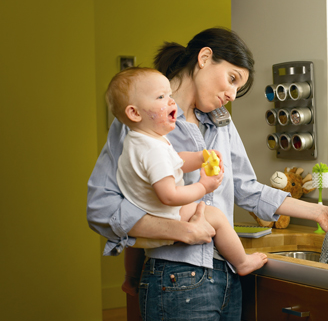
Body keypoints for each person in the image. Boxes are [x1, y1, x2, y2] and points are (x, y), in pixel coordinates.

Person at [87, 27, 328, 321]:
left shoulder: (220, 122)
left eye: (238, 88)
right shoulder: (141, 121)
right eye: (231, 79)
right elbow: (101, 206)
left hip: (225, 279)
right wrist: (180, 230)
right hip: (177, 280)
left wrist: (317, 211)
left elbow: (245, 186)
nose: (232, 94)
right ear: (205, 57)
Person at [104, 67, 267, 295]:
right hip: (163, 211)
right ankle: (242, 263)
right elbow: (169, 195)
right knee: (215, 216)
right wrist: (203, 186)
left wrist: (201, 158)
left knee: (135, 249)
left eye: (169, 95)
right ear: (134, 113)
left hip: (145, 211)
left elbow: (176, 161)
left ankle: (130, 278)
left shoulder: (143, 140)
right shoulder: (153, 150)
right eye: (161, 97)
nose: (172, 102)